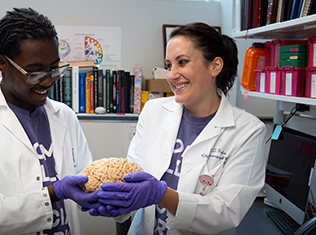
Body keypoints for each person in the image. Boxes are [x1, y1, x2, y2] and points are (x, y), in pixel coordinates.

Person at [89, 22, 267, 235]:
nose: (171, 75)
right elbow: (132, 177)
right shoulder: (153, 111)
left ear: (215, 66)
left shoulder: (248, 131)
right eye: (169, 65)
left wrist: (161, 195)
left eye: (182, 62)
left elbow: (226, 212)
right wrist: (115, 202)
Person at [0, 8, 100, 235]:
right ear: (1, 62)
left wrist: (108, 194)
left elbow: (86, 182)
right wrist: (54, 193)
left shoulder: (64, 115)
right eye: (34, 72)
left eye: (54, 69)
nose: (47, 81)